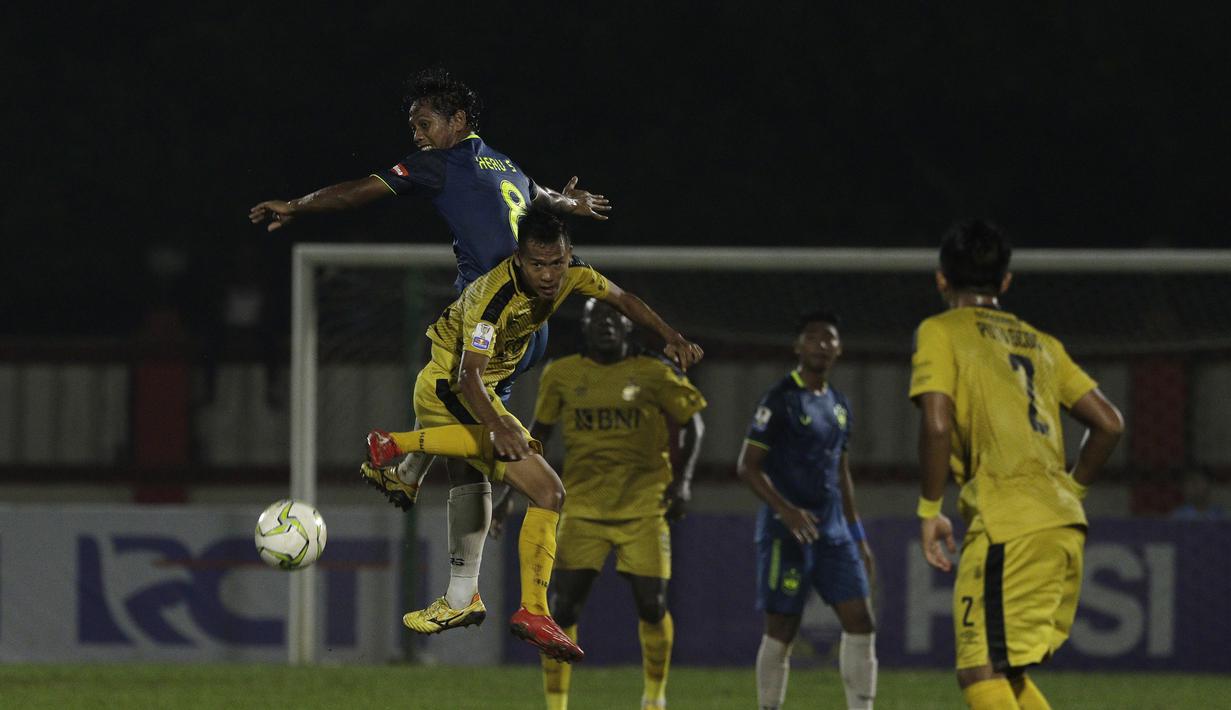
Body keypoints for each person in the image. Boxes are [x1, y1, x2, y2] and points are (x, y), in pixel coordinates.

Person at [248, 67, 611, 622]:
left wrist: (296, 205)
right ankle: (451, 558)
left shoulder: (442, 163)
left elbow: (358, 191)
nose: (416, 134)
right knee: (470, 438)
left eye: (425, 123)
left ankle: (411, 469)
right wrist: (567, 204)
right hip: (532, 328)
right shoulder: (505, 163)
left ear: (457, 122)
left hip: (487, 317)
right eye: (414, 126)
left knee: (453, 398)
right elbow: (537, 198)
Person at [364, 210, 704, 662]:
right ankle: (396, 448)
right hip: (450, 384)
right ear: (520, 260)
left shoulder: (574, 273)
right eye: (537, 265)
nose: (548, 275)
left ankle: (511, 605)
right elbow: (468, 377)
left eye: (556, 263)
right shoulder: (492, 297)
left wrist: (670, 334)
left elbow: (624, 300)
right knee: (545, 487)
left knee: (533, 489)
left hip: (481, 391)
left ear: (568, 256)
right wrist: (501, 423)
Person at [910, 220, 1124, 710]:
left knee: (978, 668)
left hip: (1008, 522)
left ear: (942, 279)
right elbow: (1110, 424)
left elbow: (937, 425)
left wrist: (929, 509)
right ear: (1005, 282)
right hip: (1061, 518)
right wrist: (1073, 490)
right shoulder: (1042, 343)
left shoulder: (940, 331)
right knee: (1007, 670)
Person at [491, 297, 706, 709]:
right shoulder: (562, 374)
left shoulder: (653, 372)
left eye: (615, 319)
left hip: (643, 506)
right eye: (597, 319)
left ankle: (655, 698)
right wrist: (507, 497)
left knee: (652, 604)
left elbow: (693, 423)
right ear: (585, 327)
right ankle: (557, 704)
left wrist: (683, 484)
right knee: (563, 606)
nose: (606, 325)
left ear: (628, 328)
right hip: (582, 508)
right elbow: (537, 439)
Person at [735, 310, 878, 710]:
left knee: (861, 622)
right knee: (782, 628)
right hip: (787, 532)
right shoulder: (780, 399)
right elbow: (747, 466)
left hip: (833, 532)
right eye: (813, 338)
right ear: (798, 347)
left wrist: (857, 535)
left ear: (839, 348)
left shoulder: (838, 404)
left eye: (829, 338)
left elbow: (841, 472)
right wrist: (787, 510)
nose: (822, 344)